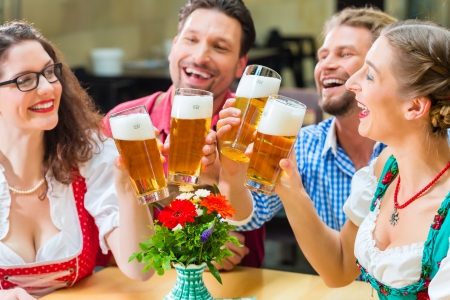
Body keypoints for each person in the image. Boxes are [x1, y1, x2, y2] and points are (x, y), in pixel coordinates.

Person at [0, 20, 215, 299]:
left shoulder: (89, 153)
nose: (47, 89)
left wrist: (129, 187)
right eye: (25, 79)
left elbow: (141, 268)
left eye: (50, 72)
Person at [271, 19, 450, 299]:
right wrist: (289, 188)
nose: (352, 83)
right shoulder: (384, 170)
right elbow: (339, 269)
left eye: (370, 75)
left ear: (415, 106)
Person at [103, 0, 264, 270]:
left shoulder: (253, 129)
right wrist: (192, 245)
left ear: (240, 65)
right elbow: (98, 233)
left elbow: (254, 218)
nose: (200, 57)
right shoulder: (120, 122)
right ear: (174, 46)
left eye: (220, 47)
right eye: (191, 39)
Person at [217, 7, 396, 231]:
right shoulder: (302, 145)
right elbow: (249, 216)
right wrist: (231, 176)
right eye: (322, 56)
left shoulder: (416, 145)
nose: (325, 65)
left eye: (345, 54)